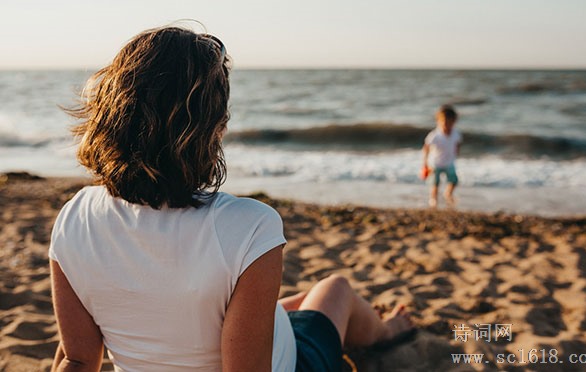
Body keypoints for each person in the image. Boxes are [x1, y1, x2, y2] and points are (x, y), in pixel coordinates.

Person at [49, 25, 415, 372]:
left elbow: (78, 360)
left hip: (211, 332)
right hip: (292, 363)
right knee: (335, 290)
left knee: (291, 306)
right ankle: (391, 331)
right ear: (214, 128)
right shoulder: (250, 225)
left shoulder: (74, 217)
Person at [422, 104, 462, 208]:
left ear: (454, 122)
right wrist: (425, 163)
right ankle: (433, 199)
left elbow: (457, 143)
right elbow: (426, 147)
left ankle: (448, 193)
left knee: (454, 181)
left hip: (449, 162)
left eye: (450, 123)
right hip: (436, 163)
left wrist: (456, 152)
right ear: (438, 121)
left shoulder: (456, 133)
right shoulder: (435, 135)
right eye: (444, 122)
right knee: (435, 183)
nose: (447, 125)